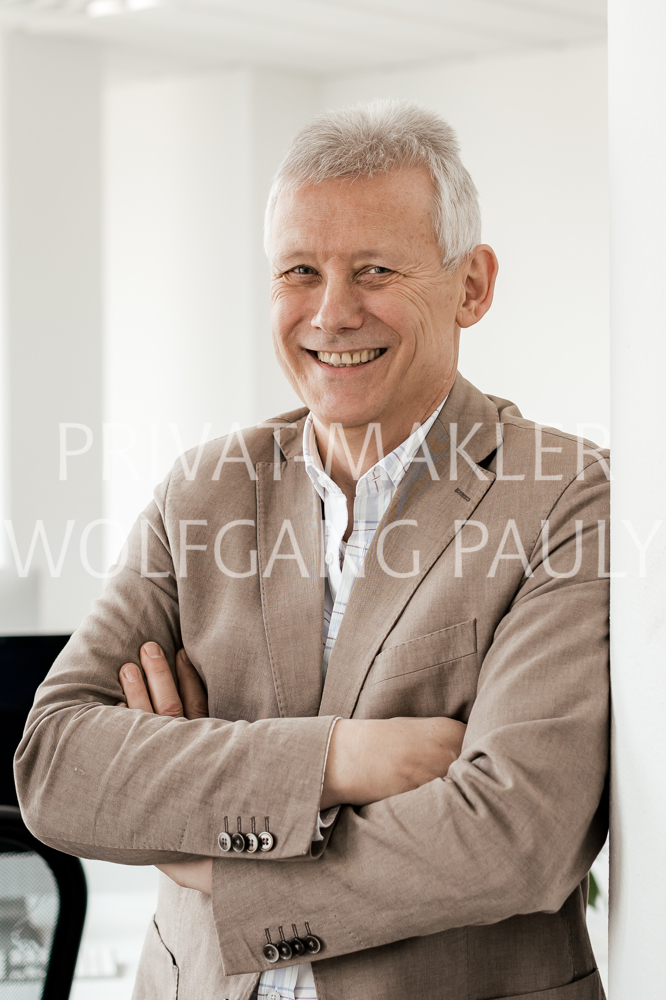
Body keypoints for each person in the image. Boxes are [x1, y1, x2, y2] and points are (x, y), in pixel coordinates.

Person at [16, 100, 610, 1000]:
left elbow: (513, 838)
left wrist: (209, 852)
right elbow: (56, 766)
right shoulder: (202, 490)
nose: (332, 313)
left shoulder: (566, 495)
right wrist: (338, 760)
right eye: (300, 271)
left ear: (471, 287)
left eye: (375, 270)